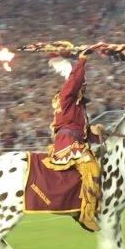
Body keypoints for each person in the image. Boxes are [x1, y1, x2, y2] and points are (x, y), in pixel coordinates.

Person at [42, 44, 106, 232]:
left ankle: (91, 205)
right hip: (67, 142)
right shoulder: (66, 97)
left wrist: (97, 131)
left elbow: (85, 134)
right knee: (91, 166)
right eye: (82, 87)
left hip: (76, 140)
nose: (84, 89)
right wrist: (82, 59)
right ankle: (86, 215)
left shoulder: (79, 110)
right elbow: (74, 80)